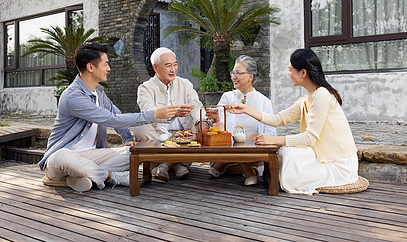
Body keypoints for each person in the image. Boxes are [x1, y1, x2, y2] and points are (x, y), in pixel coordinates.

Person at [38, 42, 178, 192]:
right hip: (61, 158)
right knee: (63, 158)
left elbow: (117, 115)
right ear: (90, 67)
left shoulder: (98, 92)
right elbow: (112, 119)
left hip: (92, 156)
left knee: (135, 154)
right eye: (105, 64)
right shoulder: (73, 96)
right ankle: (110, 176)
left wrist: (128, 139)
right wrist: (154, 114)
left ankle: (81, 177)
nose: (108, 69)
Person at [227, 49, 358, 194]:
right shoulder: (306, 99)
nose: (288, 74)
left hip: (339, 163)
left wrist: (274, 140)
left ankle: (290, 180)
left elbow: (310, 137)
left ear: (303, 72)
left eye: (290, 70)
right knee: (284, 153)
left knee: (287, 155)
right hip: (321, 154)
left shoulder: (321, 95)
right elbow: (278, 119)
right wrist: (246, 109)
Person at [134, 47, 202, 181]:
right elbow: (148, 111)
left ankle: (164, 164)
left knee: (202, 126)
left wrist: (202, 121)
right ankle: (180, 164)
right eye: (168, 66)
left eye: (175, 64)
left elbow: (196, 105)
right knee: (140, 128)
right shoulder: (145, 88)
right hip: (158, 134)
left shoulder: (185, 84)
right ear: (155, 68)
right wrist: (174, 112)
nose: (173, 69)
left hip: (183, 134)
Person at [206, 55, 276, 186]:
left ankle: (222, 163)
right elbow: (220, 127)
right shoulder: (227, 97)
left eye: (238, 73)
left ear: (250, 76)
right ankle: (249, 171)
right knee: (231, 139)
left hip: (253, 148)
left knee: (245, 141)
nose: (233, 76)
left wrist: (258, 138)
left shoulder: (264, 102)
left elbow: (271, 133)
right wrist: (215, 119)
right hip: (230, 145)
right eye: (233, 72)